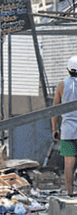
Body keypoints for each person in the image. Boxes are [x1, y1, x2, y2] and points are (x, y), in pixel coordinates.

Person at [52, 56, 77, 196]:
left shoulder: (62, 84)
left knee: (68, 163)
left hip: (67, 130)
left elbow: (55, 109)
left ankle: (70, 192)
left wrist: (54, 128)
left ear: (68, 69)